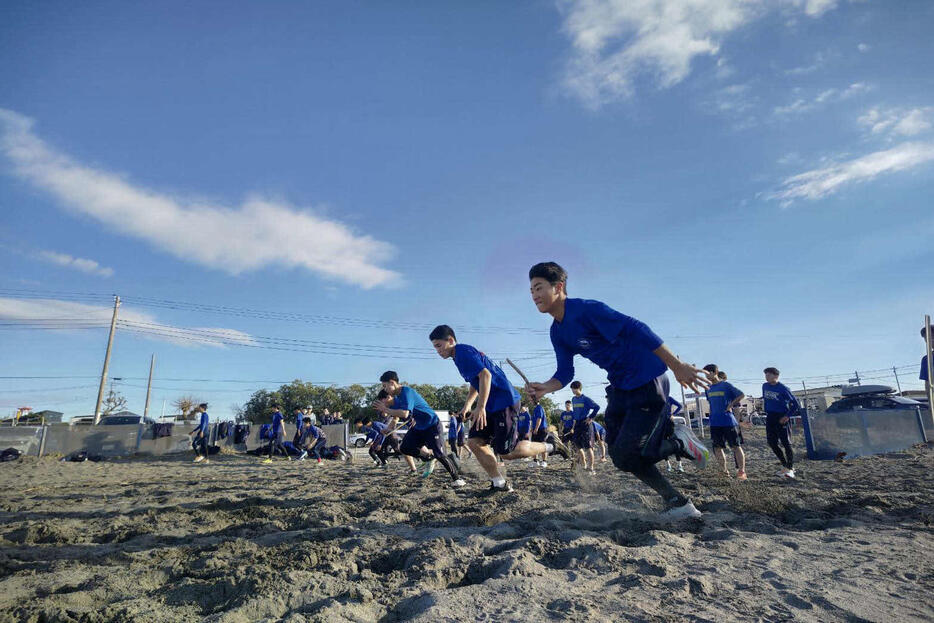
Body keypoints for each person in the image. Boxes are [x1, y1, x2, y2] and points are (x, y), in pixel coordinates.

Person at [525, 262, 710, 520]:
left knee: (633, 453)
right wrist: (546, 387)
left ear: (558, 287)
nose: (533, 295)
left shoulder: (587, 310)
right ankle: (676, 500)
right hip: (621, 387)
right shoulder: (557, 331)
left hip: (647, 379)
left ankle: (679, 444)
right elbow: (565, 373)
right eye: (531, 289)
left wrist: (676, 365)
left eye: (538, 287)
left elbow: (637, 327)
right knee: (620, 457)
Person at [429, 324, 571, 493]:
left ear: (450, 340)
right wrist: (468, 405)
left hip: (505, 402)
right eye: (435, 347)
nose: (438, 351)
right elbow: (476, 382)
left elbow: (485, 375)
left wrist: (480, 407)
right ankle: (499, 483)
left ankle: (551, 445)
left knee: (507, 453)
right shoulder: (458, 356)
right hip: (491, 405)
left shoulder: (462, 353)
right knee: (474, 442)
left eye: (439, 346)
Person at [372, 371, 465, 487]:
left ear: (392, 382)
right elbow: (396, 418)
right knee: (405, 448)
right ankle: (428, 458)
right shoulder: (396, 399)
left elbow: (405, 414)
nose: (384, 389)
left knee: (440, 454)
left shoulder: (407, 392)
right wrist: (388, 429)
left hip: (432, 425)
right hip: (419, 427)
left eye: (385, 386)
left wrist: (385, 410)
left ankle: (457, 479)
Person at [703, 365, 746, 480]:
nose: (706, 376)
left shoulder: (725, 385)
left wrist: (731, 404)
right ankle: (724, 472)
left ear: (714, 373)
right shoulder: (708, 389)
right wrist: (710, 419)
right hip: (715, 423)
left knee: (735, 446)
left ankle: (741, 472)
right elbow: (711, 405)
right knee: (717, 448)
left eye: (707, 373)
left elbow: (741, 394)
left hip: (728, 421)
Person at [762, 367, 800, 479]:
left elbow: (795, 404)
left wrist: (787, 416)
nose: (766, 377)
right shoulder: (765, 386)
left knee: (786, 443)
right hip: (770, 417)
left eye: (769, 375)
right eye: (765, 375)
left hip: (781, 417)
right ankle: (785, 465)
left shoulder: (783, 388)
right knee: (772, 442)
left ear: (775, 376)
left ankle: (790, 468)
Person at [570, 381, 600, 474]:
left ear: (578, 388)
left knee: (588, 447)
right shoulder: (573, 399)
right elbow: (575, 413)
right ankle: (584, 465)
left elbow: (597, 407)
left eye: (573, 389)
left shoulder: (586, 399)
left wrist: (590, 417)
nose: (572, 391)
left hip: (585, 424)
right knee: (577, 446)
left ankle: (591, 468)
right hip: (577, 424)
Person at [665, 397, 685, 472]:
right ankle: (668, 465)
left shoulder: (669, 398)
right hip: (661, 424)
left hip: (670, 422)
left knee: (675, 444)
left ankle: (680, 465)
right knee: (663, 444)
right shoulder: (657, 398)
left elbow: (680, 406)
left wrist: (673, 414)